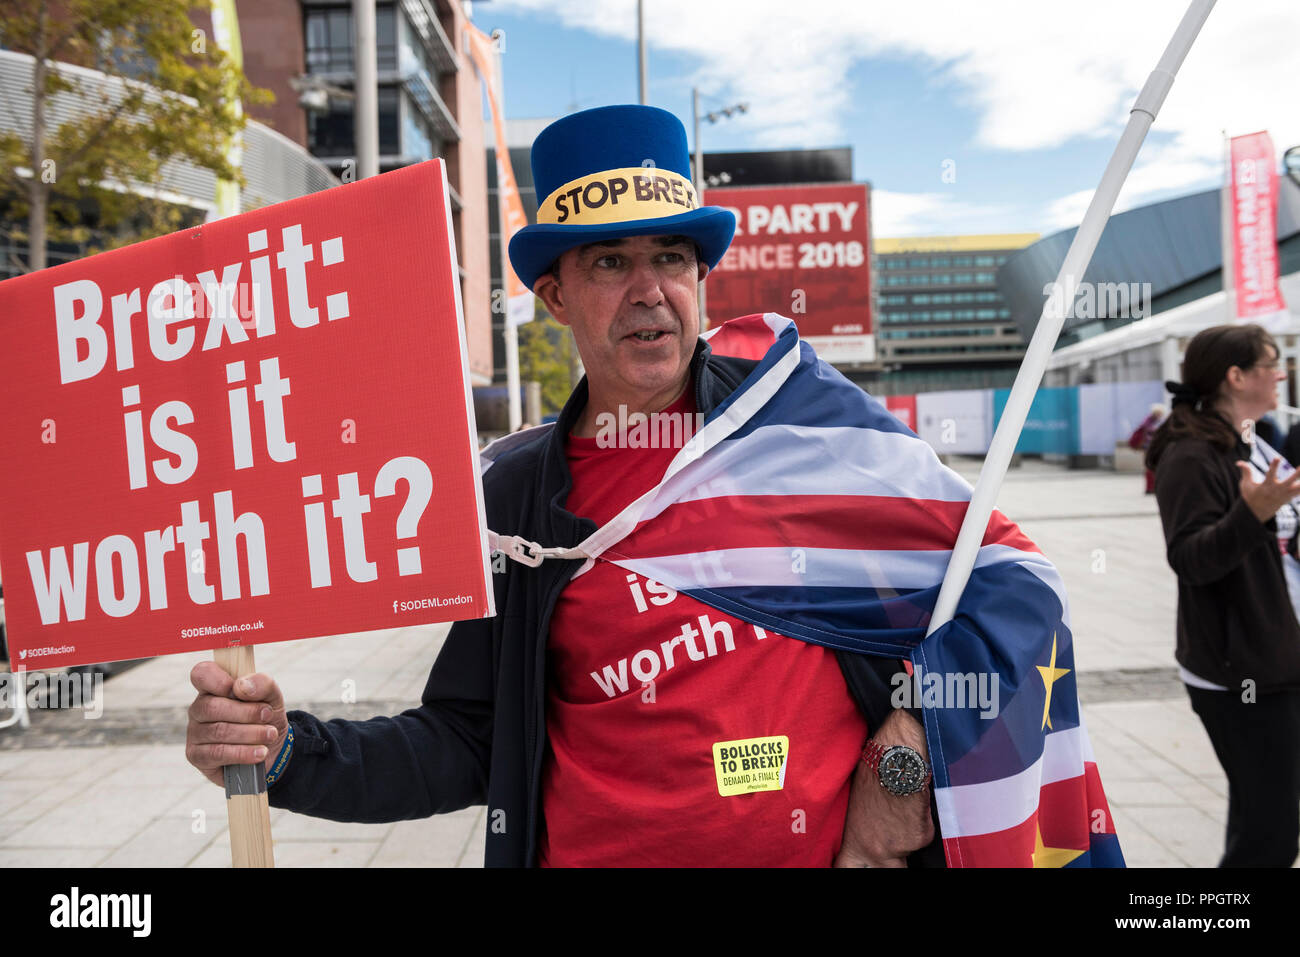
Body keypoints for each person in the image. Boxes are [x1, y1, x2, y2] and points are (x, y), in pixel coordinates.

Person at [185, 105, 1085, 867]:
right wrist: (290, 751)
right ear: (555, 295)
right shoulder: (515, 495)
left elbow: (1014, 585)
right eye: (609, 262)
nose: (649, 290)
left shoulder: (802, 431)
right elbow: (469, 737)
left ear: (703, 277)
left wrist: (902, 767)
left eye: (672, 257)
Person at [1146, 323, 1300, 867]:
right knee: (1271, 834)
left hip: (1274, 654)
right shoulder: (1191, 453)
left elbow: (1272, 540)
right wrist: (1252, 515)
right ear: (1236, 376)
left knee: (1265, 816)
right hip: (1241, 671)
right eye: (1270, 363)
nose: (1281, 374)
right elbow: (1191, 558)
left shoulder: (1247, 440)